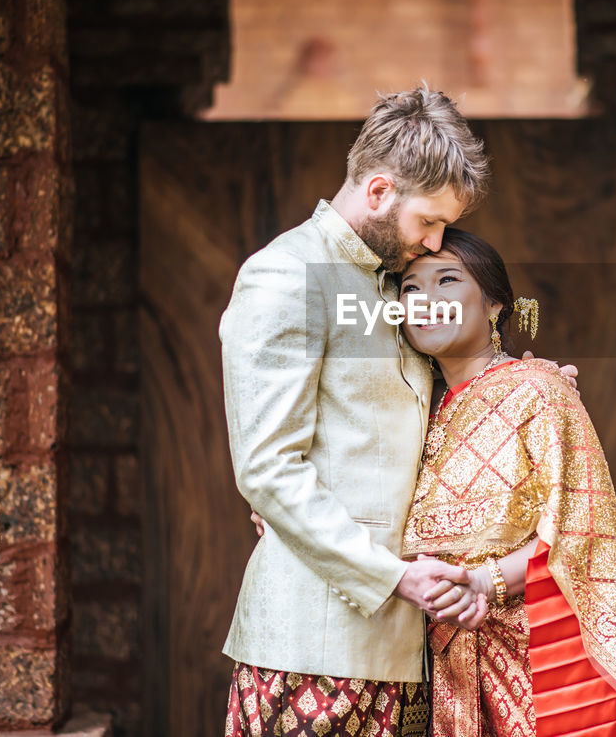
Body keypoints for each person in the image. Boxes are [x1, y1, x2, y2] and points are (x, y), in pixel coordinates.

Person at [220, 85, 575, 737]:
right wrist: (394, 577)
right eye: (428, 222)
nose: (436, 240)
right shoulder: (286, 276)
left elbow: (436, 409)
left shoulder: (393, 283)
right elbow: (268, 468)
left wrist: (525, 382)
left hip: (408, 653)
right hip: (312, 646)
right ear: (379, 192)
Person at [396, 228, 616, 737]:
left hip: (530, 671)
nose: (425, 301)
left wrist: (482, 582)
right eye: (409, 288)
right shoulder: (410, 415)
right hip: (433, 674)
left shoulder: (538, 392)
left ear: (494, 305)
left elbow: (580, 536)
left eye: (447, 280)